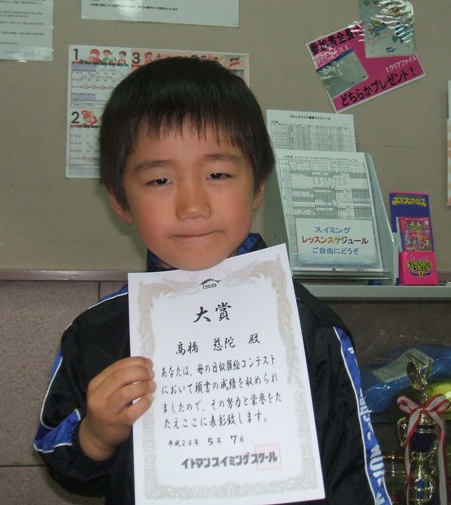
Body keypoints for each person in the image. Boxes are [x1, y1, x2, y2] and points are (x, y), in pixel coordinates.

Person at [34, 56, 391, 505]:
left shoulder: (310, 328)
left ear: (258, 186)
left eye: (218, 174)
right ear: (121, 201)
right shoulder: (97, 334)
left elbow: (354, 476)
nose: (193, 206)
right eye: (159, 180)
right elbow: (65, 461)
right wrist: (97, 436)